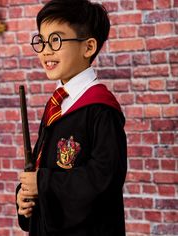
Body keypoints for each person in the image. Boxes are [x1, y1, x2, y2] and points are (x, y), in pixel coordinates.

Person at [16, 0, 127, 235]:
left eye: (56, 40)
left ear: (88, 47)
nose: (46, 50)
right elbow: (43, 165)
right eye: (42, 41)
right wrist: (26, 195)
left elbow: (103, 181)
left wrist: (43, 184)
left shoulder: (101, 109)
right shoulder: (57, 104)